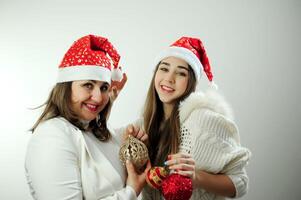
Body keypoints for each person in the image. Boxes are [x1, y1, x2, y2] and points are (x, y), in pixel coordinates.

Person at [25, 34, 149, 200]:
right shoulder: (51, 136)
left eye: (104, 87)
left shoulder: (95, 129)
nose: (98, 97)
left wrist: (127, 142)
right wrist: (131, 191)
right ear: (66, 87)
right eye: (88, 85)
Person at [130, 36, 251, 199]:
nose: (169, 78)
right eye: (164, 69)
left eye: (181, 73)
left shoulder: (204, 121)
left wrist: (196, 177)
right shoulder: (144, 125)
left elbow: (240, 183)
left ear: (191, 81)